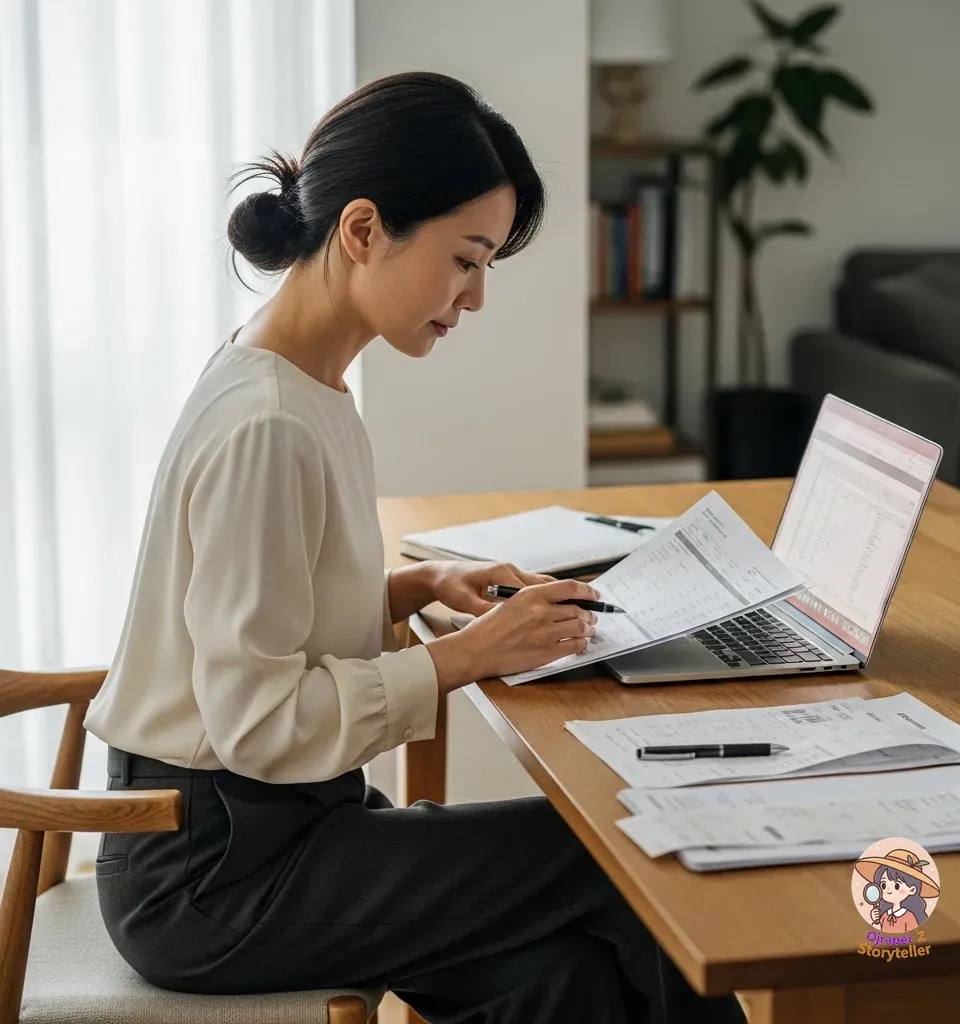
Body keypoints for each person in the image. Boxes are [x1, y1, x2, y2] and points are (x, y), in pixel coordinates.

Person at [84, 71, 745, 1024]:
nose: (473, 297)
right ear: (362, 232)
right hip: (212, 874)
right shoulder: (270, 423)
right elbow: (258, 723)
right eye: (466, 259)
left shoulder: (303, 384)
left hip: (272, 829)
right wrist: (465, 658)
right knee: (610, 848)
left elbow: (269, 611)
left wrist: (418, 585)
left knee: (573, 981)